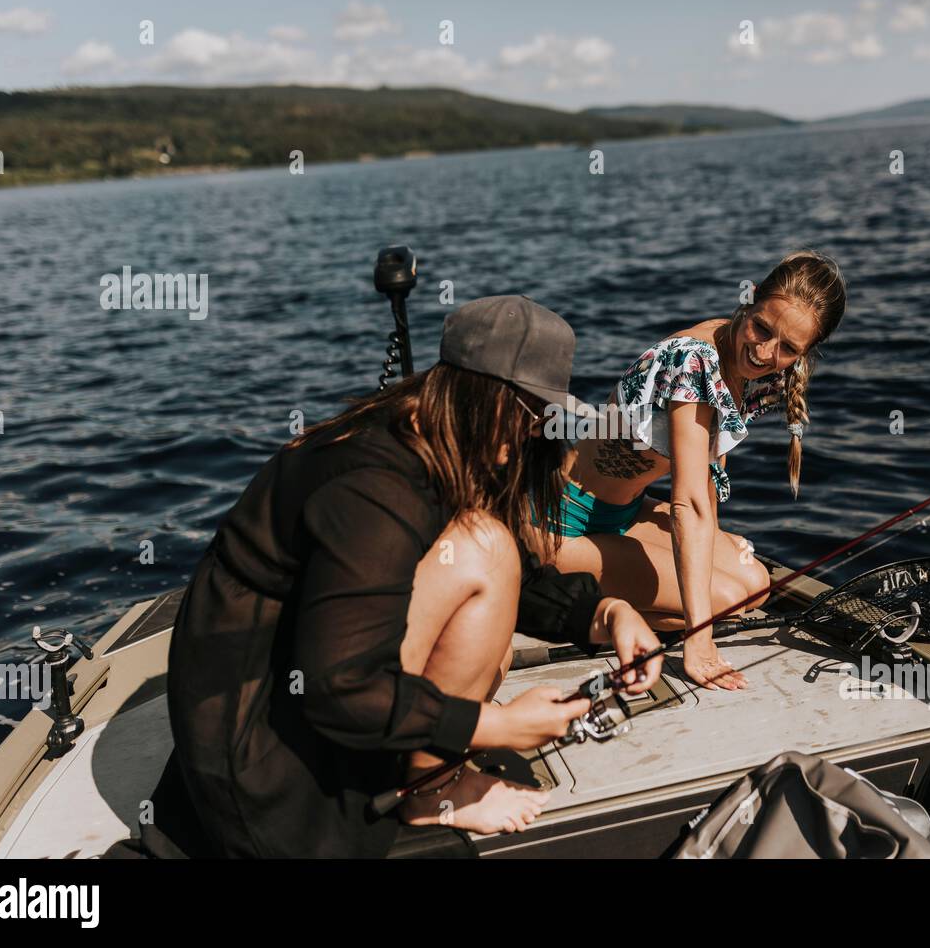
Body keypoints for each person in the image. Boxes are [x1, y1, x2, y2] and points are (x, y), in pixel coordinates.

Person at [141, 295, 663, 858]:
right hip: (258, 760)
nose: (536, 434)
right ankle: (430, 789)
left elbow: (518, 571)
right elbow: (338, 686)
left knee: (491, 545)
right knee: (483, 547)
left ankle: (425, 777)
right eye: (533, 415)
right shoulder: (375, 487)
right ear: (482, 395)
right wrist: (496, 726)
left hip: (291, 676)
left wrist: (607, 614)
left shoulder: (430, 439)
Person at [551, 251, 847, 691]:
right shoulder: (694, 360)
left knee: (753, 581)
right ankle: (555, 597)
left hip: (623, 514)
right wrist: (699, 637)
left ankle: (609, 599)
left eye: (788, 348)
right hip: (562, 522)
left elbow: (707, 482)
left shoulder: (739, 357)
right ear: (748, 304)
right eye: (761, 328)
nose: (765, 352)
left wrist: (713, 555)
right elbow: (687, 500)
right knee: (724, 597)